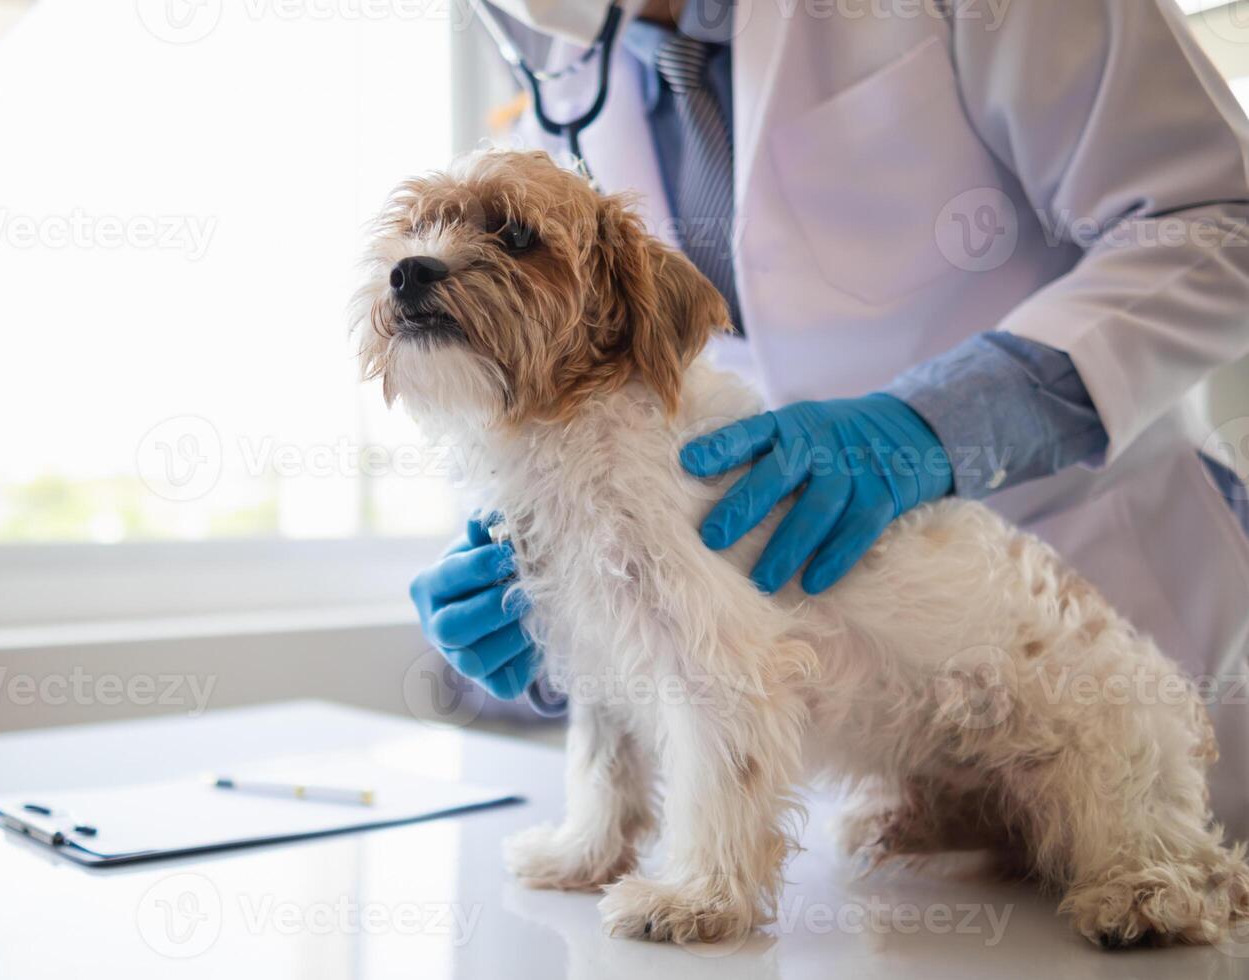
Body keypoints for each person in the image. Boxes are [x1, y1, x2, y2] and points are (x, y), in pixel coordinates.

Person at [409, 0, 1249, 836]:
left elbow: (1217, 219)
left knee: (1163, 904)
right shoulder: (574, 59)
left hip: (1101, 579)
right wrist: (542, 557)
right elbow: (561, 366)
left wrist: (938, 422)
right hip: (852, 719)